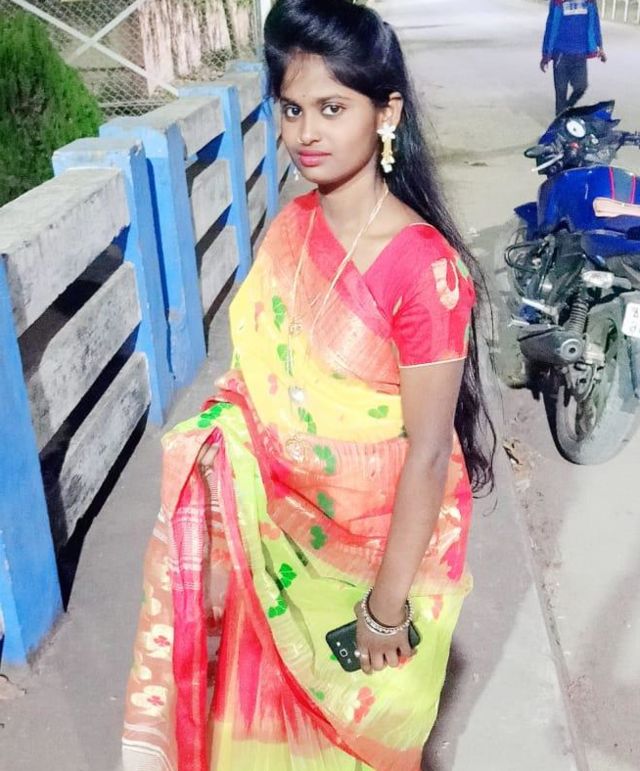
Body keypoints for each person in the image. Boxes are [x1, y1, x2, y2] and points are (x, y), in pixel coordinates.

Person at [122, 1, 495, 769]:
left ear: (386, 113)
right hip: (270, 551)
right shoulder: (294, 226)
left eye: (332, 107)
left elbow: (429, 453)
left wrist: (384, 610)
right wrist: (222, 461)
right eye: (292, 109)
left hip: (369, 568)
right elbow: (255, 387)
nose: (306, 133)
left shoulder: (423, 270)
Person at [540, 0, 607, 116]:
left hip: (580, 53)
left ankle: (567, 108)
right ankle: (560, 117)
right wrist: (546, 54)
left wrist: (600, 46)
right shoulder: (557, 2)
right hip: (560, 53)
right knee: (561, 92)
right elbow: (550, 26)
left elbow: (595, 23)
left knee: (581, 86)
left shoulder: (590, 2)